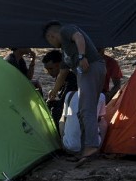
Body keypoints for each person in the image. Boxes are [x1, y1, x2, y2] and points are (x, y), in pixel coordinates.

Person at [43, 21, 105, 164]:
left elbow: (78, 37)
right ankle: (84, 150)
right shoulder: (66, 51)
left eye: (49, 41)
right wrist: (54, 91)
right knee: (82, 112)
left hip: (90, 68)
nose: (51, 44)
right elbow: (63, 73)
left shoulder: (66, 30)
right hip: (86, 72)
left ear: (51, 36)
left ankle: (91, 146)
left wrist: (82, 56)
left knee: (87, 110)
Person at [42, 50, 78, 125]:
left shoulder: (71, 80)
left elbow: (64, 104)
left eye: (51, 69)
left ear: (60, 65)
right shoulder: (59, 78)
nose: (49, 72)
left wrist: (50, 103)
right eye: (47, 70)